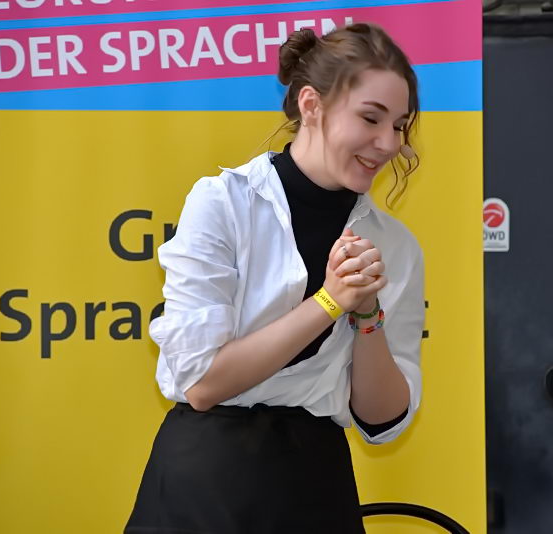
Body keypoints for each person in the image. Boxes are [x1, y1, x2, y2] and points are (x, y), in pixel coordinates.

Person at [125, 22, 425, 534]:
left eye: (399, 125)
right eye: (370, 118)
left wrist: (367, 314)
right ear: (312, 105)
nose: (388, 143)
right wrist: (330, 301)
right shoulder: (223, 203)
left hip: (316, 480)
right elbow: (202, 384)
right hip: (204, 481)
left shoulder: (394, 245)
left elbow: (383, 420)